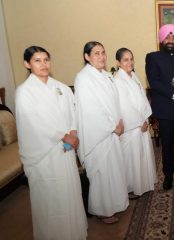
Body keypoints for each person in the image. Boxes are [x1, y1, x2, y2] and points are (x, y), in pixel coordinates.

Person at [15, 46, 87, 239]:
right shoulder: (24, 92)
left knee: (68, 194)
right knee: (50, 199)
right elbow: (33, 122)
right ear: (27, 64)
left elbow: (73, 112)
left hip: (65, 150)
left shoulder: (61, 87)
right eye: (37, 60)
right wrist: (63, 136)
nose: (43, 64)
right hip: (44, 154)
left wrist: (72, 131)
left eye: (46, 59)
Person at [74, 41, 129, 224]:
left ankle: (114, 204)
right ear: (87, 57)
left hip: (113, 130)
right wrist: (112, 126)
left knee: (113, 171)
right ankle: (102, 210)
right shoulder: (83, 78)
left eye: (103, 52)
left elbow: (115, 102)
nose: (101, 56)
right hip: (97, 134)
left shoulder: (106, 76)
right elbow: (91, 109)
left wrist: (120, 121)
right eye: (96, 53)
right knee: (101, 174)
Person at [145, 24, 174, 190]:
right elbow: (154, 82)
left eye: (173, 37)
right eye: (167, 37)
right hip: (165, 110)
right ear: (161, 39)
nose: (170, 40)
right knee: (166, 145)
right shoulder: (152, 57)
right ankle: (167, 176)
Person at [113, 47, 157, 197]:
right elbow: (124, 106)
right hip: (132, 126)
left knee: (142, 155)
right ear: (118, 62)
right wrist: (139, 122)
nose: (130, 62)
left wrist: (146, 118)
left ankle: (142, 184)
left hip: (141, 123)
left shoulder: (133, 76)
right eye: (125, 60)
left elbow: (143, 99)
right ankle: (130, 187)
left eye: (131, 59)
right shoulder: (118, 80)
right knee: (131, 158)